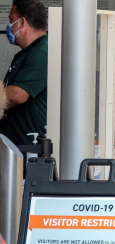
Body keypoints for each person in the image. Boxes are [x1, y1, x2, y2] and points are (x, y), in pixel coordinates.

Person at [0, 0, 47, 145]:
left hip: (29, 150)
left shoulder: (42, 52)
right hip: (15, 147)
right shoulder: (28, 53)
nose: (10, 26)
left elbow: (18, 95)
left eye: (11, 20)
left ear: (22, 22)